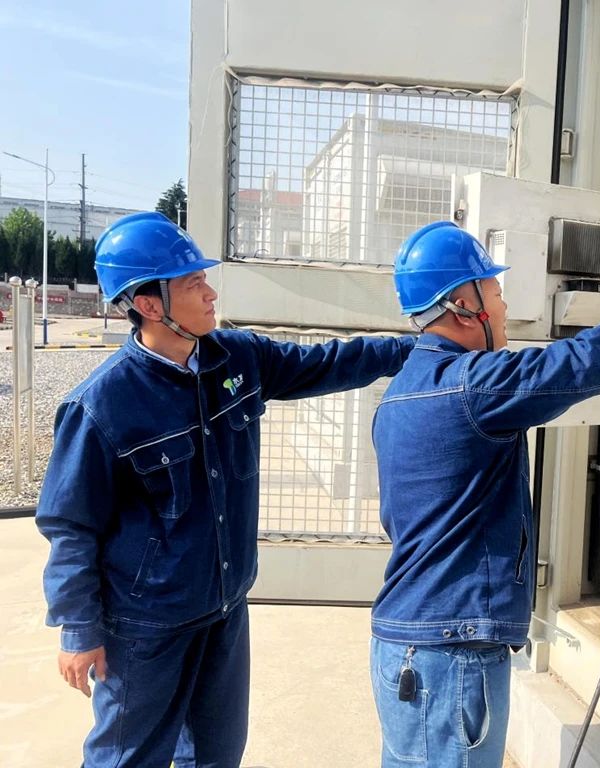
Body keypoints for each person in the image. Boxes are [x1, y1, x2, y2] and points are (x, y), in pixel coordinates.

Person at [35, 211, 415, 768]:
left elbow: (329, 362)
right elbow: (71, 527)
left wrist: (420, 348)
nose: (211, 293)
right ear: (149, 304)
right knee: (128, 758)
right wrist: (78, 629)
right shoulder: (102, 406)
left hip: (224, 608)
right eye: (194, 284)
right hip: (146, 625)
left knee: (216, 755)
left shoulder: (237, 358)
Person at [369, 221, 600, 767]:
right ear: (464, 306)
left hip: (411, 645)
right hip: (450, 652)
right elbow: (575, 365)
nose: (504, 308)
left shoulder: (400, 394)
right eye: (495, 292)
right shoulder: (471, 386)